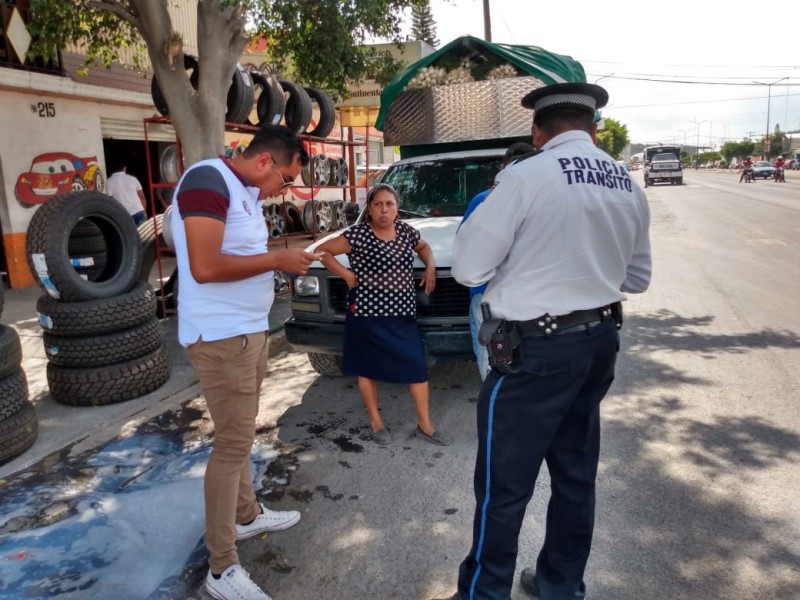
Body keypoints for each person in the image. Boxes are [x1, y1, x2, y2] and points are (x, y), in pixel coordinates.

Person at [439, 82, 651, 600]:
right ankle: (560, 586)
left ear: (538, 131)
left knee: (502, 491)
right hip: (598, 342)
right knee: (575, 478)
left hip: (533, 353)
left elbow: (468, 269)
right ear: (593, 128)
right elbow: (637, 278)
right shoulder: (625, 182)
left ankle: (483, 595)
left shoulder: (525, 176)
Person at [171, 124, 319, 600]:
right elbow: (205, 266)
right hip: (220, 336)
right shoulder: (206, 181)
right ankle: (221, 567)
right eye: (286, 179)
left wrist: (276, 258)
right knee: (232, 446)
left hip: (246, 331)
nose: (285, 189)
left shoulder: (243, 190)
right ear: (264, 163)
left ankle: (247, 515)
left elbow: (240, 254)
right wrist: (278, 262)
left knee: (241, 433)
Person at [315, 183, 451, 447]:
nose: (384, 210)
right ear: (369, 210)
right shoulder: (358, 235)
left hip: (402, 315)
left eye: (389, 204)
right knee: (367, 368)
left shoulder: (405, 232)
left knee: (416, 368)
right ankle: (376, 422)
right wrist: (346, 275)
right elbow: (322, 252)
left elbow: (424, 248)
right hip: (367, 315)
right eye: (378, 204)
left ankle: (425, 425)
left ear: (397, 209)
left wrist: (430, 267)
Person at [460, 142, 536, 380]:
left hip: (487, 294)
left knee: (490, 355)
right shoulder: (545, 201)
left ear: (504, 166)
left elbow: (464, 252)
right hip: (533, 293)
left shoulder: (482, 200)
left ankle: (494, 395)